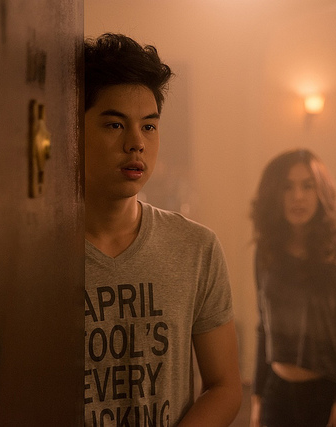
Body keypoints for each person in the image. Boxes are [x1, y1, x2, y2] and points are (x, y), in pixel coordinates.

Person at [83, 33, 242, 427]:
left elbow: (225, 386)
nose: (136, 143)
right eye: (115, 124)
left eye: (149, 127)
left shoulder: (196, 247)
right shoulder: (33, 255)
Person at [249, 149, 336, 427]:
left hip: (330, 395)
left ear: (321, 192)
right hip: (277, 395)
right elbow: (265, 327)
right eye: (287, 187)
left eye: (308, 186)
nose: (298, 196)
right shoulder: (267, 252)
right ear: (274, 194)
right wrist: (257, 399)